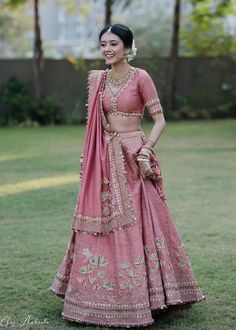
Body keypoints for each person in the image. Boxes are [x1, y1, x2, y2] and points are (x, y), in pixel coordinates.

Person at [49, 23, 204, 327]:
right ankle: (98, 296)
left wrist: (145, 151)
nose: (107, 50)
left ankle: (150, 295)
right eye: (103, 44)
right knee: (102, 223)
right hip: (105, 159)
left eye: (113, 44)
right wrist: (88, 157)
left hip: (134, 156)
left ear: (128, 47)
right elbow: (94, 126)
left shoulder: (141, 77)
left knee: (140, 222)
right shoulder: (99, 80)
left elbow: (159, 120)